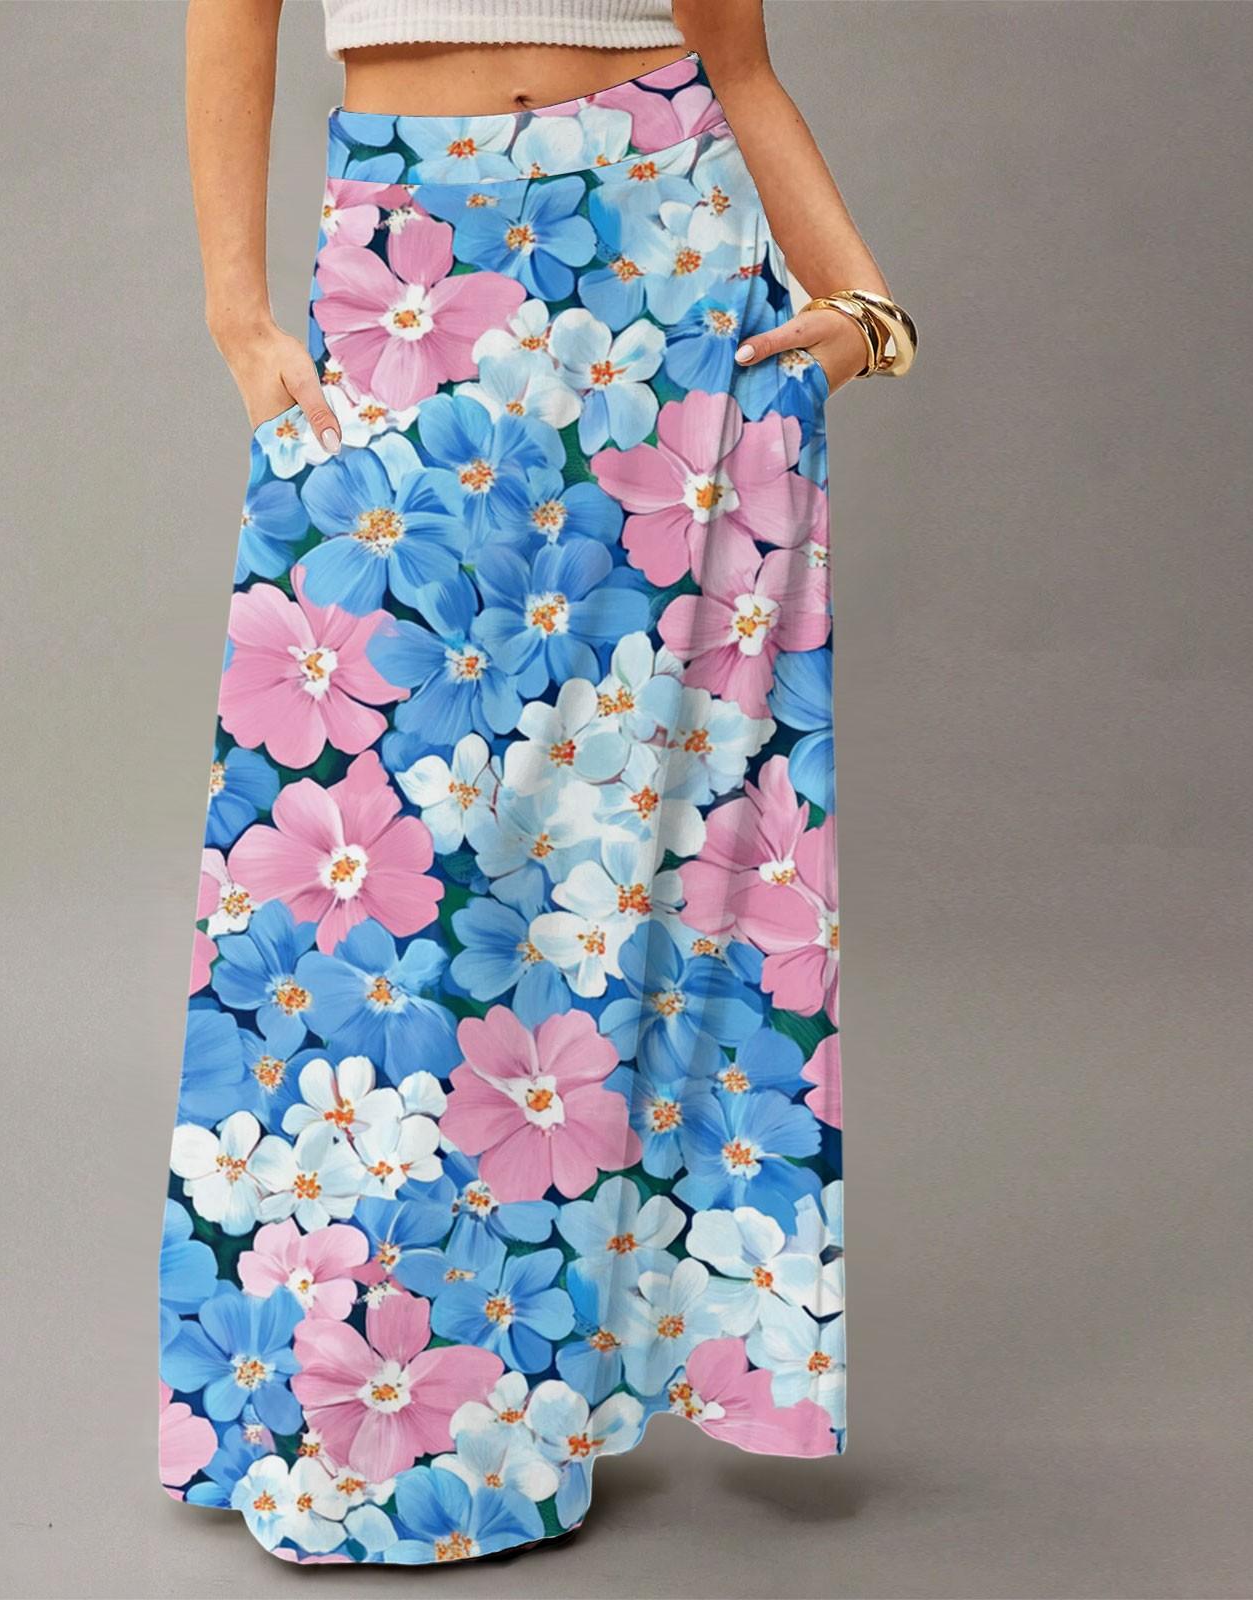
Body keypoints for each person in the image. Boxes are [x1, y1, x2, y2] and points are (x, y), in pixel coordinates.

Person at [161, 0, 914, 1564]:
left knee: (622, 866)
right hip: (409, 253)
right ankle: (349, 1409)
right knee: (382, 869)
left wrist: (867, 303)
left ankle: (541, 1401)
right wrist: (238, 307)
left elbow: (739, 61)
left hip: (664, 255)